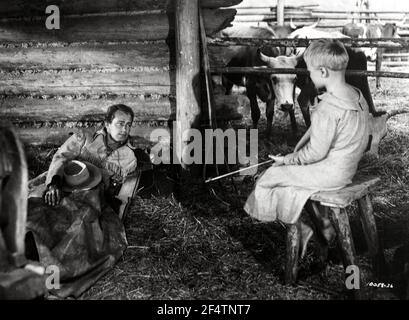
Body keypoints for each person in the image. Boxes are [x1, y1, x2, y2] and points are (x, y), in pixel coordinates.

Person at [244, 39, 370, 258]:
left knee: (269, 177)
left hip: (330, 172)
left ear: (322, 71)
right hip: (349, 167)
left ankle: (308, 226)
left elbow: (314, 153)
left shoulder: (327, 107)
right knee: (293, 180)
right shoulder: (357, 95)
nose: (308, 77)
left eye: (309, 72)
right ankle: (320, 221)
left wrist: (287, 160)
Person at [26, 104, 138, 298]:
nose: (124, 130)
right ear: (107, 124)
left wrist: (112, 188)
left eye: (128, 125)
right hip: (62, 186)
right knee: (36, 214)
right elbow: (60, 158)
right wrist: (54, 184)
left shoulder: (129, 157)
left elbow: (118, 189)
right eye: (120, 124)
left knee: (81, 229)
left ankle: (52, 274)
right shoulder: (82, 137)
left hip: (90, 197)